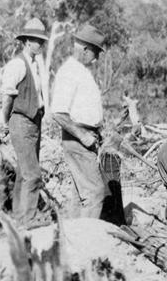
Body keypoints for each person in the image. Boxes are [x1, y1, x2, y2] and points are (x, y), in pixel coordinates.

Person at [50, 25, 122, 223]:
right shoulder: (69, 72)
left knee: (80, 195)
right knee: (95, 192)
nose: (97, 58)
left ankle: (72, 240)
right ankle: (87, 245)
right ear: (84, 49)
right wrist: (82, 135)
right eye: (95, 52)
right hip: (78, 139)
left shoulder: (80, 71)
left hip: (86, 138)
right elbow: (57, 112)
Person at [0, 18, 48, 226]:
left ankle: (19, 217)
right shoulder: (18, 64)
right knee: (32, 174)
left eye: (42, 41)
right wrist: (5, 121)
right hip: (21, 121)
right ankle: (28, 218)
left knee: (24, 171)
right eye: (37, 40)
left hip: (34, 122)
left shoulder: (35, 64)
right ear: (28, 41)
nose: (41, 44)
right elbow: (8, 95)